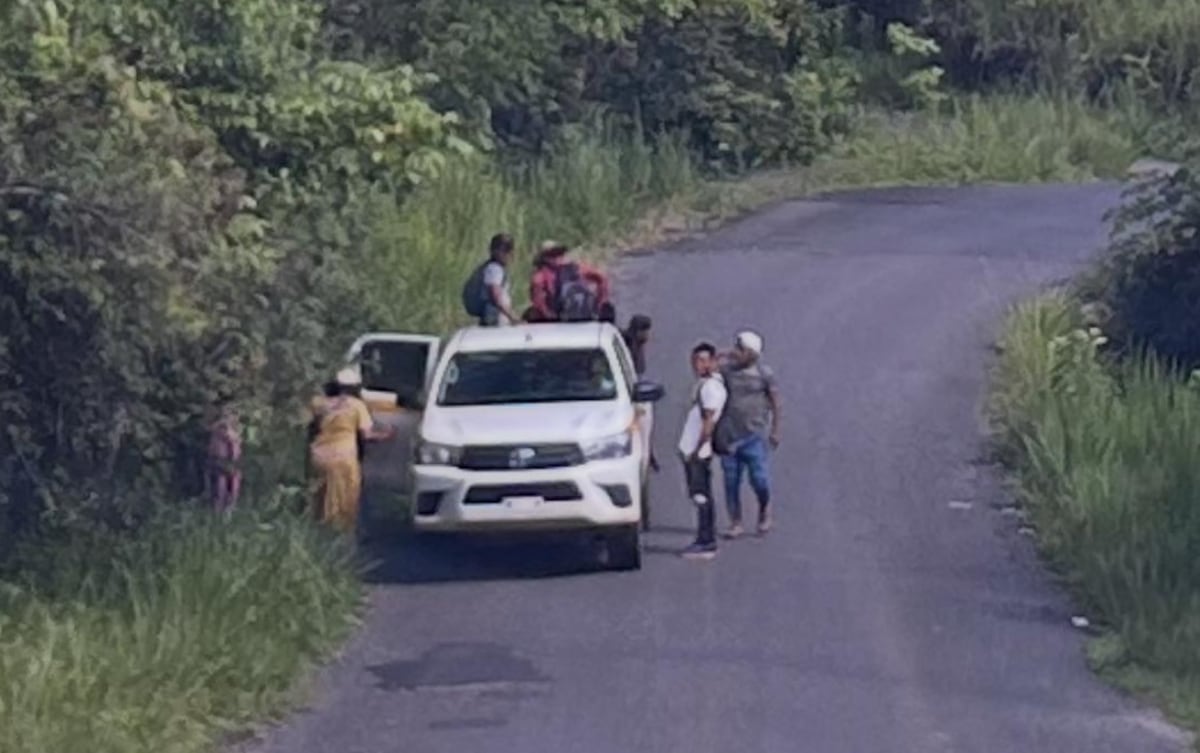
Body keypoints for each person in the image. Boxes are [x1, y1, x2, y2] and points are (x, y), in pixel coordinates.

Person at [307, 366, 395, 535]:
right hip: (343, 459)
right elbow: (367, 434)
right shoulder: (357, 406)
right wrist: (386, 435)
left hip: (319, 456)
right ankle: (339, 535)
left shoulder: (318, 403)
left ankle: (316, 533)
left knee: (319, 497)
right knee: (345, 500)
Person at [714, 331, 781, 538]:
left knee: (759, 479)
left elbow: (775, 403)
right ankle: (736, 522)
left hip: (754, 435)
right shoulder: (727, 371)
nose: (737, 352)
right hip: (729, 436)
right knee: (731, 482)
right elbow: (707, 367)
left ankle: (764, 510)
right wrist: (724, 354)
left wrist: (775, 429)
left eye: (741, 349)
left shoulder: (763, 374)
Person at [678, 342, 727, 559]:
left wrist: (697, 450)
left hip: (698, 453)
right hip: (694, 451)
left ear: (713, 362)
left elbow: (708, 422)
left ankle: (706, 541)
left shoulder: (711, 388)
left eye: (704, 360)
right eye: (696, 360)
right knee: (699, 495)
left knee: (701, 496)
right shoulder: (706, 384)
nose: (699, 365)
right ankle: (705, 539)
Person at [527, 240, 611, 322]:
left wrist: (550, 317)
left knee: (531, 314)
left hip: (558, 317)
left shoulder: (540, 275)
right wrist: (600, 304)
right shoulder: (577, 268)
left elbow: (538, 302)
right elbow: (601, 278)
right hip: (585, 314)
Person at [463, 233, 518, 326]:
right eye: (506, 251)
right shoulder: (494, 269)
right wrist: (512, 317)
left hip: (491, 315)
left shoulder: (490, 267)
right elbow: (495, 295)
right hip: (495, 318)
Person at [204, 404, 242, 515]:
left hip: (232, 462)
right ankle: (218, 511)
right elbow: (227, 437)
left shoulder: (235, 429)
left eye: (231, 415)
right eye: (226, 415)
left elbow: (235, 441)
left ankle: (229, 510)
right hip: (220, 460)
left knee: (233, 487)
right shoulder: (219, 428)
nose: (229, 417)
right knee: (220, 487)